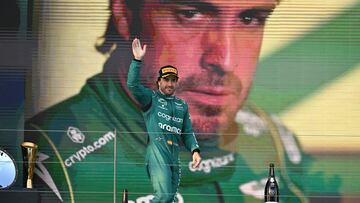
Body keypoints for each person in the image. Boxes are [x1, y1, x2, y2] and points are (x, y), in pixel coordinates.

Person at [25, 0, 325, 202]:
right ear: (126, 16)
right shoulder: (43, 164)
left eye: (250, 18)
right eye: (190, 13)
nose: (226, 60)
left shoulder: (274, 141)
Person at [128, 37, 201, 202]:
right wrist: (137, 60)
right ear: (158, 81)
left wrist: (195, 150)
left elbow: (187, 132)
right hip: (157, 152)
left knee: (171, 200)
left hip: (174, 156)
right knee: (164, 197)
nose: (170, 83)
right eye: (166, 80)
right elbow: (132, 85)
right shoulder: (151, 98)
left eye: (173, 80)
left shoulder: (182, 105)